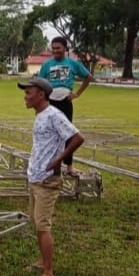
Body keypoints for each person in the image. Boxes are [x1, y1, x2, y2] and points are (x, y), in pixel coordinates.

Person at [18, 77, 84, 276]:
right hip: (36, 176)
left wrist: (58, 160)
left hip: (47, 180)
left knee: (43, 225)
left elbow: (77, 138)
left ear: (41, 95)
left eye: (29, 93)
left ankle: (48, 273)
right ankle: (41, 260)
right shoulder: (40, 115)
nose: (25, 96)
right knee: (36, 222)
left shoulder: (55, 115)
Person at [38, 37, 92, 176]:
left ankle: (69, 166)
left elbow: (88, 76)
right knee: (50, 134)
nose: (55, 51)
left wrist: (77, 94)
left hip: (65, 102)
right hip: (50, 103)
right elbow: (40, 84)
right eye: (53, 48)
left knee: (68, 135)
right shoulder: (46, 65)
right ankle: (49, 165)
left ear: (65, 49)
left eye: (58, 48)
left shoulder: (72, 63)